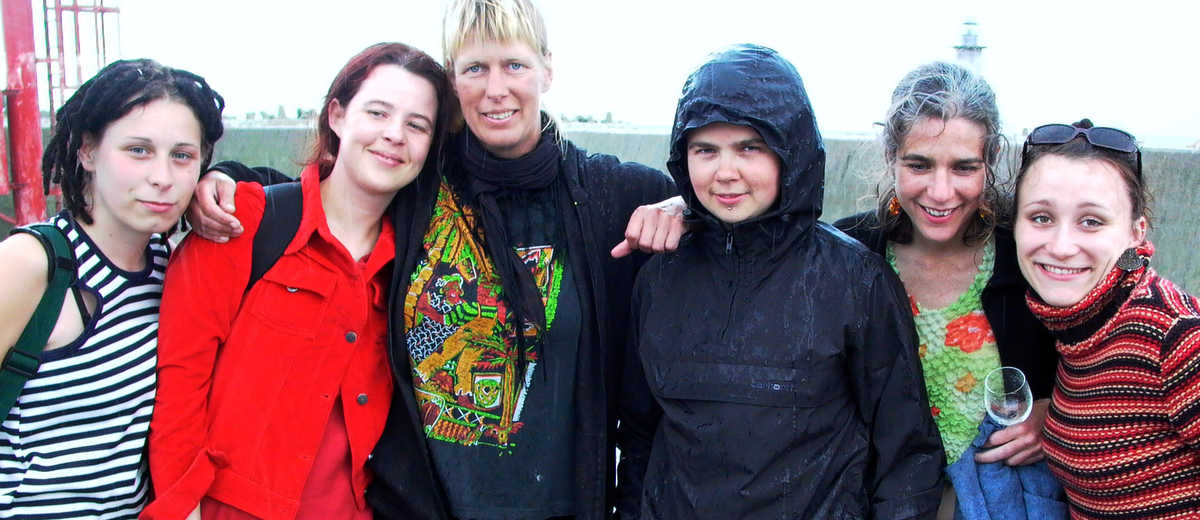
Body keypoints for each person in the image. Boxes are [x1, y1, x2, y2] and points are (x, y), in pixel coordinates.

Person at [182, 1, 676, 517]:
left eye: (515, 65)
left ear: (547, 70)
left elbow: (723, 210)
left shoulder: (612, 196)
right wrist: (222, 180)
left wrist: (684, 208)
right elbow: (325, 193)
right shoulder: (420, 179)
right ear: (454, 82)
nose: (495, 89)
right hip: (414, 507)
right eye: (475, 69)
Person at [616, 44, 944, 519]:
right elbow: (640, 438)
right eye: (705, 150)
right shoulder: (658, 277)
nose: (726, 172)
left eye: (749, 147)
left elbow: (907, 454)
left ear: (790, 154)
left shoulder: (856, 281)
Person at [140, 43, 453, 520]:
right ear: (338, 116)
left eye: (416, 125)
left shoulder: (415, 268)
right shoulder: (243, 221)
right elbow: (179, 387)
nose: (394, 135)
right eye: (378, 112)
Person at [0, 59, 224, 518]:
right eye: (138, 150)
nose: (162, 177)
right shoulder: (34, 263)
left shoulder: (172, 266)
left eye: (182, 156)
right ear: (87, 151)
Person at [833, 63, 1059, 516]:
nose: (941, 191)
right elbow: (764, 251)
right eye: (919, 164)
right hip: (877, 500)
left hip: (1004, 501)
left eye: (963, 167)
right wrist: (689, 210)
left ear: (991, 159)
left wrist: (1055, 412)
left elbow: (1104, 342)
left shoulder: (1028, 255)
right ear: (892, 155)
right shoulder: (847, 252)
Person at [1013, 120, 1200, 519]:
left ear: (1136, 232)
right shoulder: (1081, 325)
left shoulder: (1177, 337)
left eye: (1092, 221)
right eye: (1041, 217)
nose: (1061, 246)